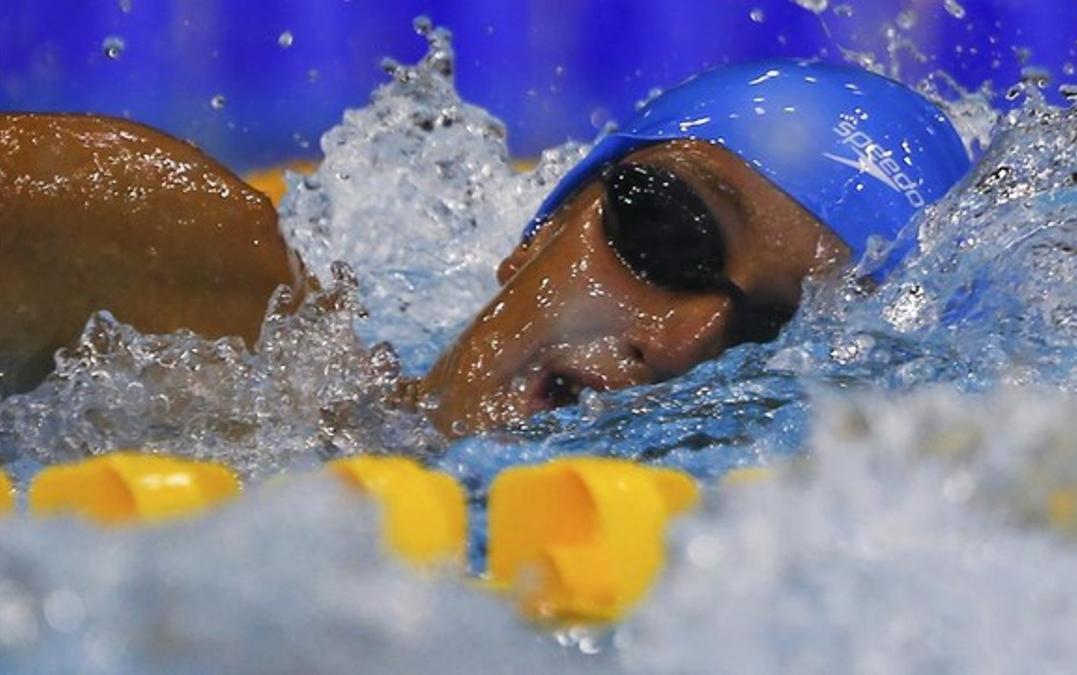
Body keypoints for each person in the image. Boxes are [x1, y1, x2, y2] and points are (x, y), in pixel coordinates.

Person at [0, 60, 970, 436]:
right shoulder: (182, 296)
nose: (679, 345)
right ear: (539, 229)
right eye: (668, 231)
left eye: (773, 334)